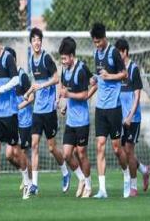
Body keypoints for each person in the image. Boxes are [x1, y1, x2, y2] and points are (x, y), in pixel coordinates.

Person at [0, 30, 29, 200]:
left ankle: (27, 181)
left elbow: (15, 80)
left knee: (16, 151)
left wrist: (0, 90)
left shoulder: (8, 57)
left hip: (10, 113)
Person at [24, 27, 69, 197]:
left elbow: (56, 79)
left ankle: (65, 172)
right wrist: (28, 92)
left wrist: (44, 87)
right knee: (34, 144)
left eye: (39, 39)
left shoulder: (47, 58)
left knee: (51, 148)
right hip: (37, 110)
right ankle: (34, 184)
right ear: (31, 42)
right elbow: (35, 84)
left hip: (49, 110)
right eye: (34, 40)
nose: (37, 42)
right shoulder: (31, 60)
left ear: (41, 42)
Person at [89, 23, 131, 199]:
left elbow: (124, 74)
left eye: (99, 41)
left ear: (104, 38)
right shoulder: (95, 54)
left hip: (114, 108)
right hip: (100, 108)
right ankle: (102, 190)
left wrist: (110, 76)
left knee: (116, 148)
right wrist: (94, 79)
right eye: (94, 42)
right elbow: (99, 75)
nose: (97, 44)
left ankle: (127, 175)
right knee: (99, 146)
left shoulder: (113, 53)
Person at [115, 38, 150, 196]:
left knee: (129, 151)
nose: (117, 57)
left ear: (125, 52)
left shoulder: (134, 69)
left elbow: (137, 96)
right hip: (120, 117)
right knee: (121, 152)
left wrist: (130, 116)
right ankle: (144, 169)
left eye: (119, 53)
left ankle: (133, 187)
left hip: (133, 118)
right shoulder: (117, 70)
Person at [59, 37, 94, 198]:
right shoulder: (64, 70)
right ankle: (81, 178)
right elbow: (65, 89)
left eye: (65, 58)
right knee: (66, 154)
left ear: (72, 56)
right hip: (71, 121)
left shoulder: (81, 70)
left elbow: (85, 94)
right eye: (61, 58)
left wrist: (69, 95)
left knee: (81, 153)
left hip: (82, 121)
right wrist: (64, 105)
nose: (63, 61)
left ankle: (89, 186)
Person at [6, 47, 34, 193]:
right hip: (13, 121)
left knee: (22, 153)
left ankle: (31, 183)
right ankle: (25, 176)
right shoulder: (8, 79)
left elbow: (31, 97)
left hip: (24, 121)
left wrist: (18, 106)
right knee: (9, 155)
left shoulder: (22, 76)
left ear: (14, 60)